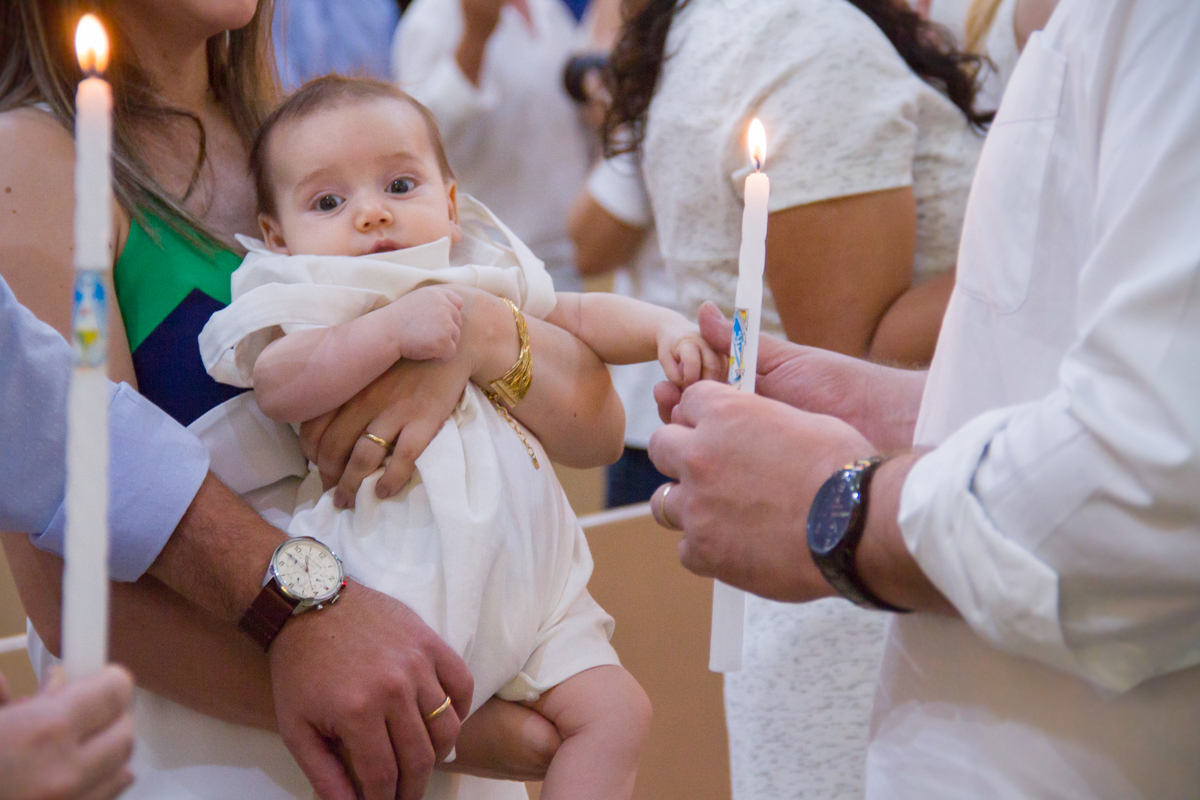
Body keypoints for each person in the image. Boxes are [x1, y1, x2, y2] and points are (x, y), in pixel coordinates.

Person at [1, 2, 625, 799]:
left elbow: (597, 425)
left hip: (420, 685)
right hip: (235, 749)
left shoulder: (321, 133)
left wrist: (476, 336)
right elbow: (72, 592)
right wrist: (446, 724)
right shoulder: (32, 159)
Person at [648, 0, 1200, 796]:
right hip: (902, 610)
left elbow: (1156, 466)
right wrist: (894, 421)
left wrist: (838, 502)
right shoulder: (802, 31)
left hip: (1034, 673)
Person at [184, 75, 717, 800]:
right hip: (404, 574)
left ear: (452, 202)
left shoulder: (477, 272)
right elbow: (278, 382)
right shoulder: (314, 291)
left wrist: (665, 329)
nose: (371, 215)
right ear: (278, 237)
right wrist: (390, 330)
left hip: (533, 583)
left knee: (618, 714)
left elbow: (583, 316)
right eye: (329, 202)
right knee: (390, 754)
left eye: (400, 184)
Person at [603, 0, 986, 795]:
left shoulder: (730, 21)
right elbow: (852, 344)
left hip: (837, 551)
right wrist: (1040, 247)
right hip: (857, 553)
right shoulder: (801, 33)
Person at [393, 0, 594, 292]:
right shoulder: (430, 17)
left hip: (571, 253)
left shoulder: (546, 8)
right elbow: (416, 140)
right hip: (497, 264)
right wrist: (476, 37)